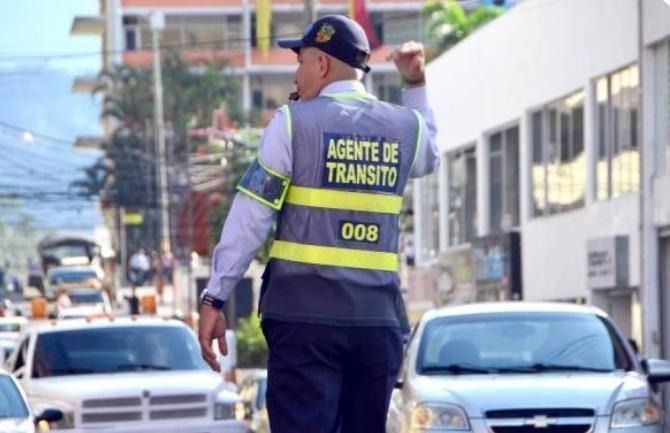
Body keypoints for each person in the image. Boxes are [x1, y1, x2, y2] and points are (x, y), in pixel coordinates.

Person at [198, 15, 438, 433]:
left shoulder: (293, 123)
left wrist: (215, 297)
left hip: (304, 321)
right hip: (376, 324)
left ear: (322, 65)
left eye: (301, 61)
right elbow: (430, 155)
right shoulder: (406, 127)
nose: (297, 72)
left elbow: (251, 215)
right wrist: (415, 86)